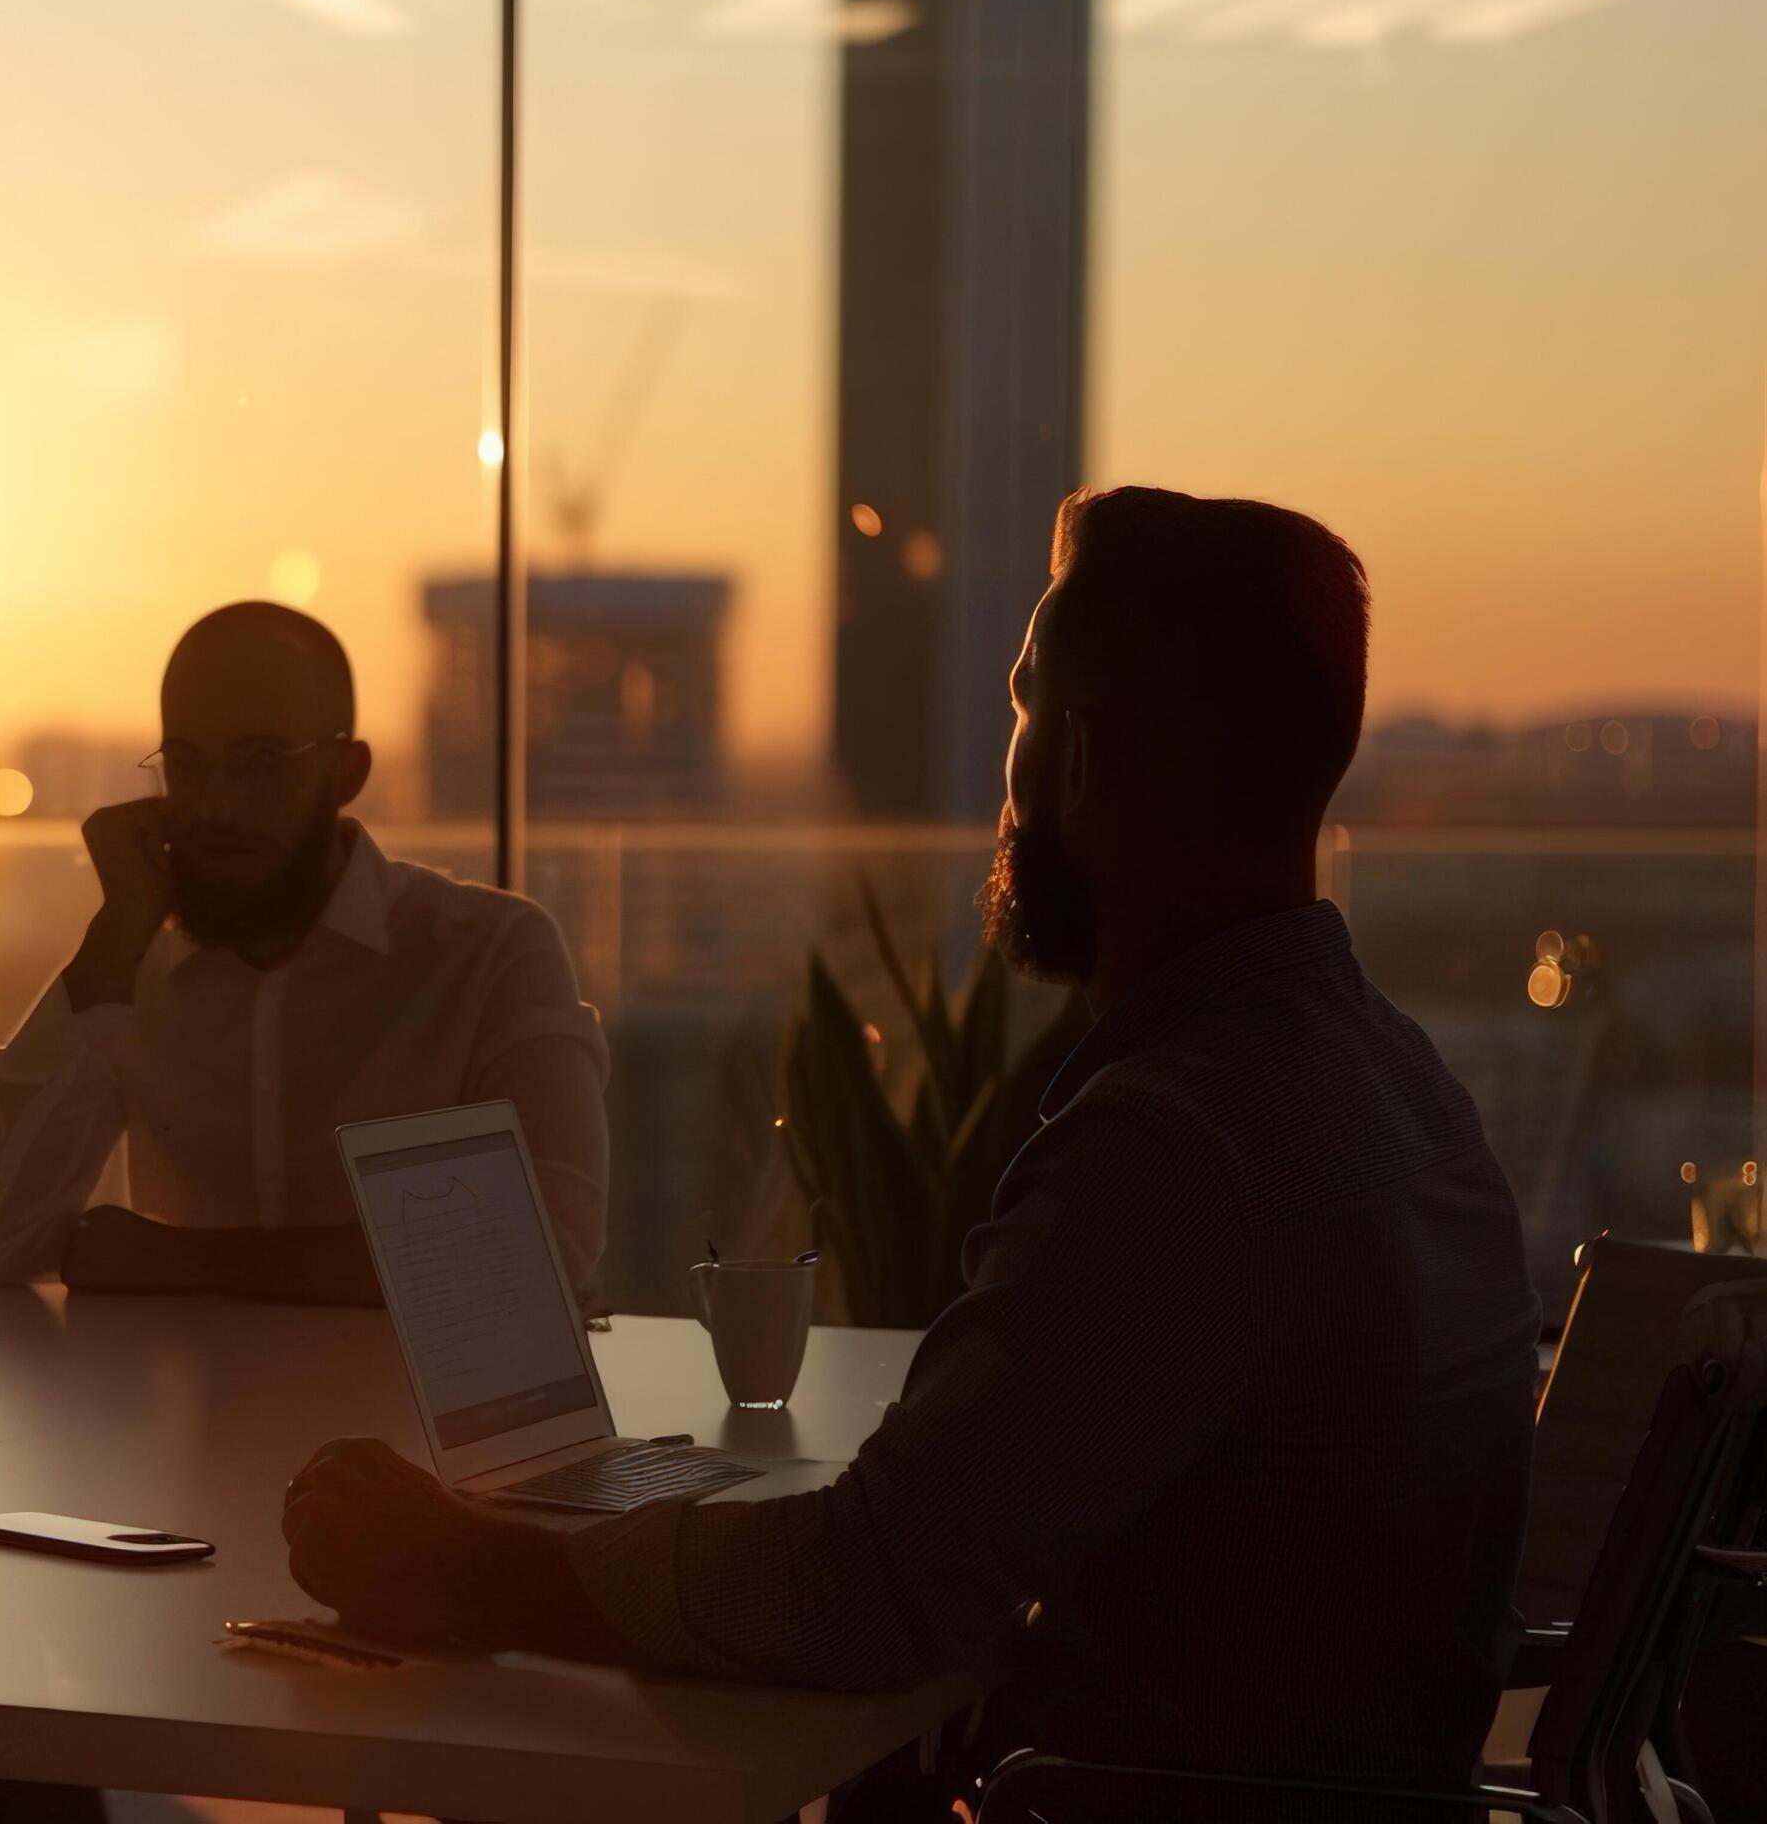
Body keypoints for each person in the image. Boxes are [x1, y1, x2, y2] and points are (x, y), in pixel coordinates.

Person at [280, 488, 1542, 1810]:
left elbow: (867, 1593)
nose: (1004, 777)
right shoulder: (1399, 1088)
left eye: (1020, 705)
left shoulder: (1177, 1151)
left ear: (1077, 761)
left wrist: (466, 1568)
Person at [0, 602, 610, 1307]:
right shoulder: (133, 968)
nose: (218, 805)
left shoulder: (488, 951)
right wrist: (111, 938)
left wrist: (176, 1261)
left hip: (411, 1419)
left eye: (260, 764)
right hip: (175, 1417)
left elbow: (548, 1245)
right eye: (189, 764)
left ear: (346, 774)